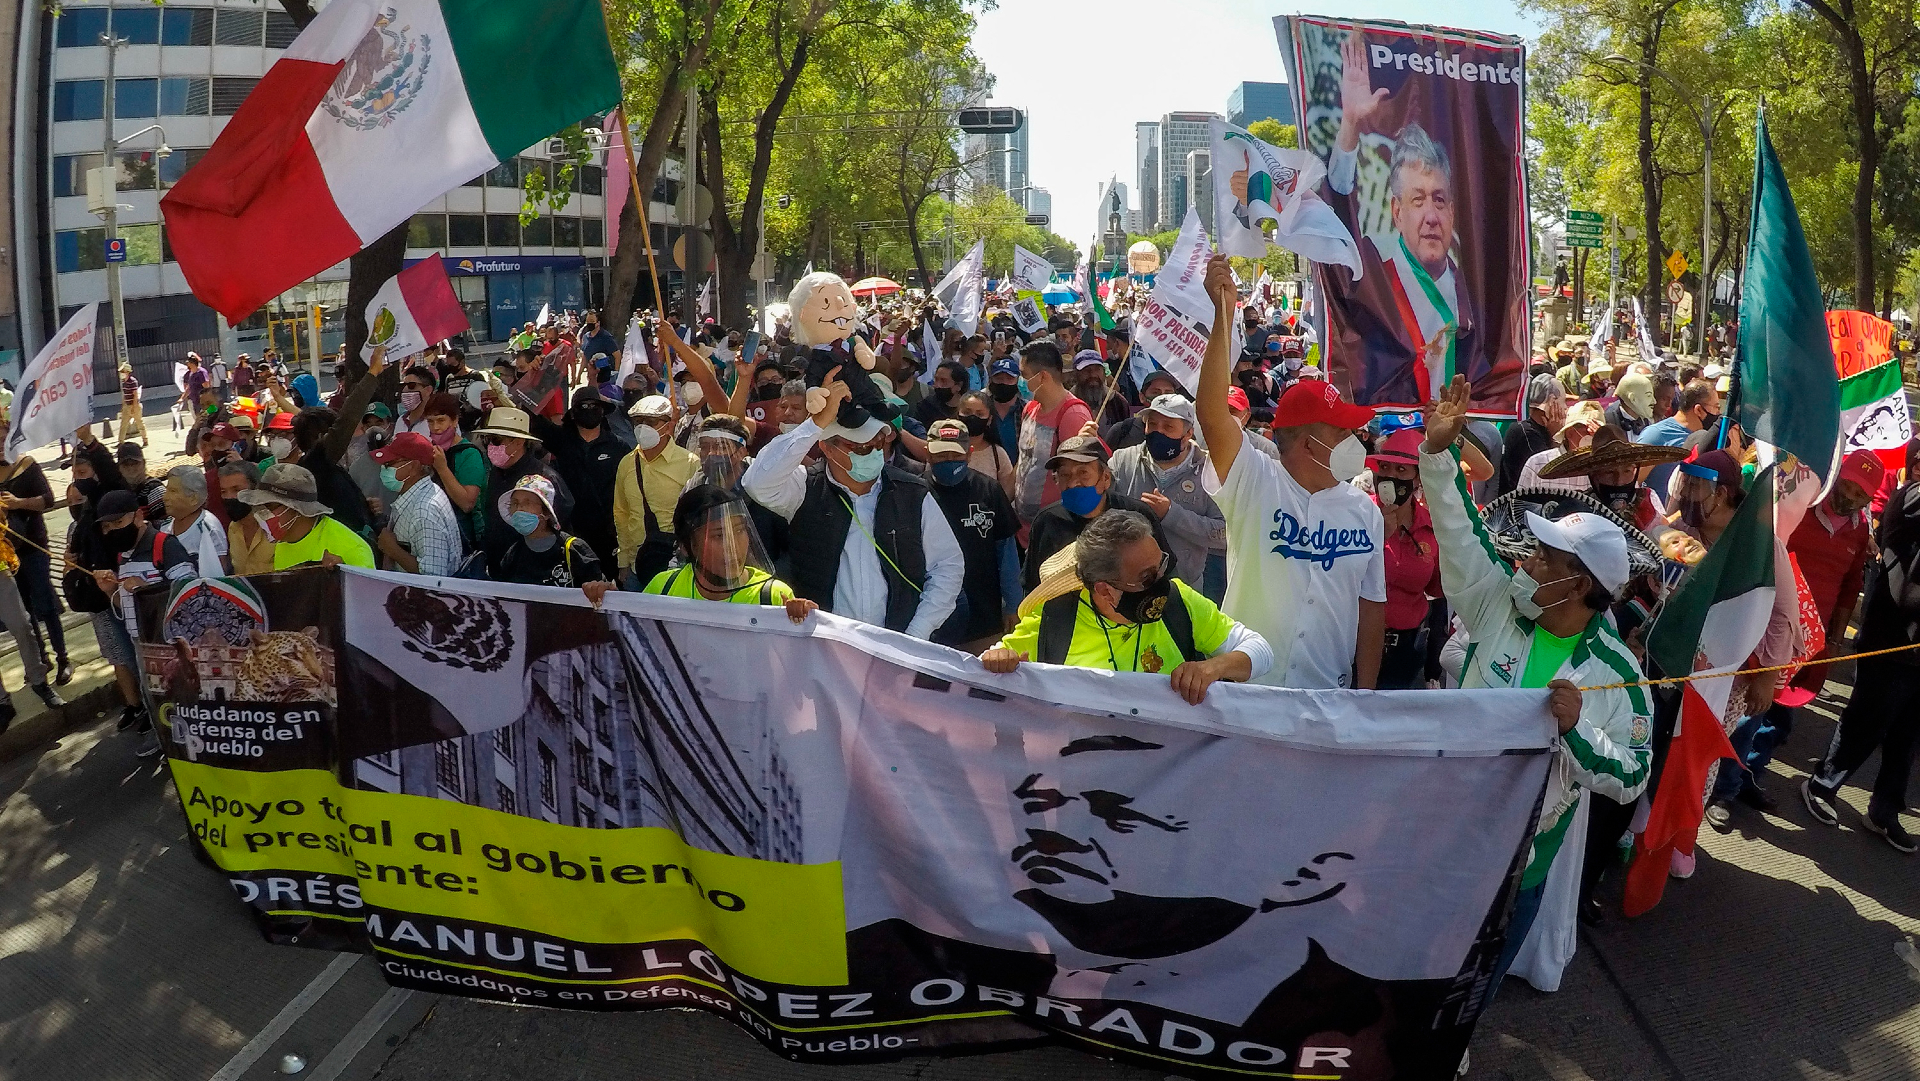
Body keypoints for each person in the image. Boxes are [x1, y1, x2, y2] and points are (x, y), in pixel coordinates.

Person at [1419, 373, 1651, 991]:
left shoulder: (1618, 675)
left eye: (1548, 555)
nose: (1529, 557)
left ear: (1580, 585)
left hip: (1525, 864)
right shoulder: (1498, 597)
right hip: (1445, 831)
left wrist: (1576, 733)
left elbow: (1631, 776)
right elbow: (1460, 530)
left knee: (1479, 981)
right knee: (1420, 961)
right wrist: (1437, 453)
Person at [1194, 254, 1386, 690]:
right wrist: (1222, 315)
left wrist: (1366, 693)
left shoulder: (1365, 511)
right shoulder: (1255, 482)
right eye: (1343, 432)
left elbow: (1372, 605)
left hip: (1326, 698)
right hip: (1249, 692)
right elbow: (1210, 414)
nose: (1357, 442)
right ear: (1305, 442)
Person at [1316, 34, 1514, 408]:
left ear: (1453, 211)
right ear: (1397, 212)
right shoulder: (1372, 277)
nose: (1430, 216)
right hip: (1392, 441)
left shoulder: (1476, 292)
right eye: (1417, 200)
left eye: (1439, 200)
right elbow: (1336, 214)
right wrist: (1350, 125)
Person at [1711, 451, 1882, 823]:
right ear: (1835, 478)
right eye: (1847, 487)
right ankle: (1722, 791)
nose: (1850, 498)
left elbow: (1851, 586)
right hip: (1770, 631)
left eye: (1860, 495)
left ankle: (1749, 776)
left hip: (1811, 644)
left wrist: (1834, 640)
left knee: (1780, 720)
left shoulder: (1859, 529)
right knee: (1748, 714)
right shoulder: (1796, 512)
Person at [741, 375, 964, 638]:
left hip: (897, 648)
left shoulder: (913, 493)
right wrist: (815, 424)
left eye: (878, 443)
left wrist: (915, 633)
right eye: (859, 447)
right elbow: (757, 483)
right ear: (827, 447)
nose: (872, 451)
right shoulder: (804, 488)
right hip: (824, 647)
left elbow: (947, 567)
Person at [983, 510, 1272, 704]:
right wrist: (1000, 660)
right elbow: (987, 666)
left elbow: (1261, 651)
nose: (1162, 581)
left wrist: (1212, 668)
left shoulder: (1179, 601)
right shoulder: (1054, 621)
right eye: (1147, 577)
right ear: (1105, 589)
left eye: (1162, 565)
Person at [1803, 474, 1920, 851]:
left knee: (1906, 737)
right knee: (1867, 718)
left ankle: (1884, 812)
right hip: (1891, 637)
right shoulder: (1912, 497)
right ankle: (1822, 783)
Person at [1108, 393, 1227, 603]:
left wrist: (1172, 515)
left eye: (1168, 427)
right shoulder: (1122, 460)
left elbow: (1224, 535)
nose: (1158, 432)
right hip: (1127, 587)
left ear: (1188, 432)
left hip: (1184, 591)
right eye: (1152, 424)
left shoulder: (1211, 470)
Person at [1020, 435, 1173, 594]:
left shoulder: (1137, 515)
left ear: (1106, 478)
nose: (1073, 483)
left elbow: (1164, 573)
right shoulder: (1047, 522)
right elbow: (1032, 584)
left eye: (1083, 473)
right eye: (1065, 475)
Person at [642, 484, 810, 621]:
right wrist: (616, 610)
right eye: (719, 535)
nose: (733, 545)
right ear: (686, 547)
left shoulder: (772, 596)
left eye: (739, 530)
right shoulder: (664, 587)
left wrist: (803, 620)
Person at [923, 419, 1019, 650]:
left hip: (983, 613)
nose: (948, 461)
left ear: (969, 453)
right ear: (927, 454)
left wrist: (1014, 605)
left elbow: (1006, 552)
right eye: (941, 455)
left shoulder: (989, 490)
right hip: (931, 621)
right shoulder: (915, 491)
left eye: (955, 455)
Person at [1366, 429, 1442, 690]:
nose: (1390, 476)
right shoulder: (1358, 514)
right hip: (1355, 643)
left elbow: (1437, 589)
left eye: (1402, 471)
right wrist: (1378, 536)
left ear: (1418, 478)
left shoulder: (1432, 528)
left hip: (1408, 652)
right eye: (1385, 468)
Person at [522, 386, 627, 568]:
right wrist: (535, 378)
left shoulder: (619, 447)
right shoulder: (562, 440)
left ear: (603, 411)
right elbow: (530, 415)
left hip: (609, 533)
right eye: (583, 407)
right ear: (572, 414)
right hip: (571, 531)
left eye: (594, 406)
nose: (589, 410)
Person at [0, 418, 70, 685]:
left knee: (45, 603)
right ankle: (41, 660)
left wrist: (18, 503)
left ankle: (63, 657)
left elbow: (48, 500)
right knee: (24, 610)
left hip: (33, 546)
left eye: (2, 440)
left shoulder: (27, 466)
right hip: (7, 554)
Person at [470, 406, 574, 579]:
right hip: (499, 571)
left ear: (518, 442)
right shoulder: (495, 473)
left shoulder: (545, 479)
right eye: (487, 440)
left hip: (535, 575)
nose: (490, 446)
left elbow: (559, 529)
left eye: (496, 440)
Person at [612, 394, 697, 588]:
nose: (643, 427)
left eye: (650, 422)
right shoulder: (626, 463)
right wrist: (623, 562)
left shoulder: (690, 463)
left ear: (667, 426)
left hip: (675, 567)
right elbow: (621, 515)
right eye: (638, 421)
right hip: (636, 567)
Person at [1013, 342, 1095, 526]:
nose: (1021, 381)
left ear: (1042, 377)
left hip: (1054, 527)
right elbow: (1023, 461)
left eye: (1023, 375)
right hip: (1022, 525)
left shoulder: (1073, 415)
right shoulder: (1030, 408)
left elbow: (1079, 478)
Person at [237, 463, 376, 570]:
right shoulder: (284, 541)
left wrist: (341, 576)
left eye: (270, 507)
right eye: (259, 506)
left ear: (298, 509)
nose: (261, 514)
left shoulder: (353, 549)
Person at [494, 474, 609, 600]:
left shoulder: (573, 550)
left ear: (546, 512)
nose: (519, 509)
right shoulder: (512, 555)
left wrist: (601, 588)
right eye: (515, 503)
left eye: (527, 502)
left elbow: (604, 596)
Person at [371, 433, 464, 577]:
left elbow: (434, 577)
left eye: (389, 464)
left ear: (413, 466)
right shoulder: (416, 495)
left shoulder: (425, 511)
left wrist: (393, 550)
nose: (384, 469)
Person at [1635, 379, 1721, 493]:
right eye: (1716, 407)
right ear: (1699, 410)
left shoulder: (1709, 439)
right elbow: (1632, 482)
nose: (1719, 413)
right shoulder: (1656, 435)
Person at [1496, 374, 1568, 495]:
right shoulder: (1525, 432)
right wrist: (1556, 437)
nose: (1565, 407)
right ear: (1552, 402)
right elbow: (1549, 473)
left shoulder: (1542, 428)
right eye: (1563, 401)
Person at [156, 465, 229, 571]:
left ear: (193, 498)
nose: (165, 497)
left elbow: (219, 572)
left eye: (173, 491)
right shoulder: (165, 527)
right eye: (167, 490)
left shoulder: (208, 528)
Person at [217, 461, 276, 575]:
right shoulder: (233, 529)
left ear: (255, 490)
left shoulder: (276, 526)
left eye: (237, 490)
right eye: (223, 491)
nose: (229, 497)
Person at [953, 390, 1015, 497]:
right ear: (958, 414)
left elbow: (1006, 495)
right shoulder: (944, 448)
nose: (973, 417)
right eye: (967, 413)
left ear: (989, 419)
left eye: (979, 414)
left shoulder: (998, 454)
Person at [395, 366, 438, 437]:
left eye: (411, 385)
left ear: (428, 390)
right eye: (403, 385)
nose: (405, 390)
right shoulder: (400, 421)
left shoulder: (437, 422)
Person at [117, 362, 148, 446]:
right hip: (127, 406)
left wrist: (134, 407)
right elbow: (124, 395)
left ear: (127, 372)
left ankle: (145, 440)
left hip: (134, 405)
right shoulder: (124, 382)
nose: (121, 373)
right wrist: (123, 406)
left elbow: (135, 395)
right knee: (123, 424)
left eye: (123, 371)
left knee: (139, 423)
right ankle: (120, 442)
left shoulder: (133, 381)